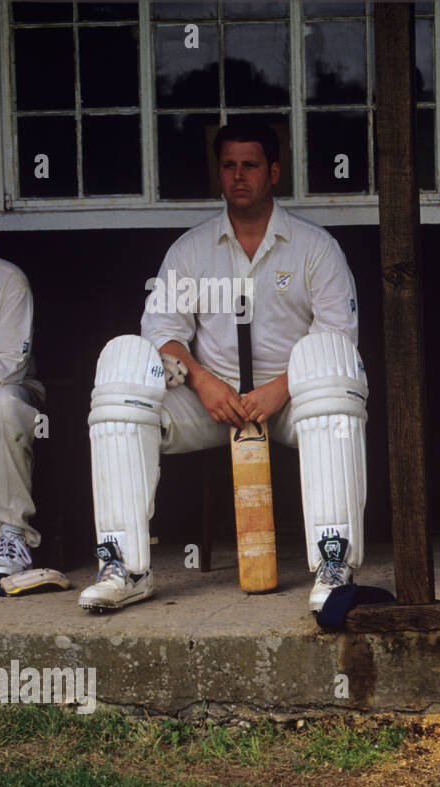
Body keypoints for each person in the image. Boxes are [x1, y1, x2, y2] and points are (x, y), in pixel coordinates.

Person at [79, 119, 369, 613]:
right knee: (123, 365)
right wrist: (202, 379)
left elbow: (339, 334)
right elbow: (161, 331)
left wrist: (282, 388)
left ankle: (333, 562)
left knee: (331, 368)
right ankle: (123, 566)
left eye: (250, 165)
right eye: (229, 165)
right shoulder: (190, 250)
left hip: (294, 399)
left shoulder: (315, 248)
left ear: (274, 172)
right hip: (212, 404)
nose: (239, 175)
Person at [0, 256, 47, 589]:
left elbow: (9, 364)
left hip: (10, 388)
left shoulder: (8, 279)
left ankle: (14, 533)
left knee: (1, 406)